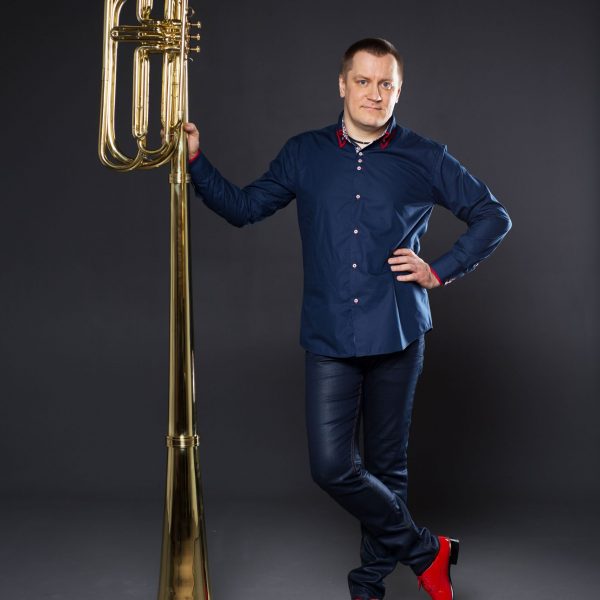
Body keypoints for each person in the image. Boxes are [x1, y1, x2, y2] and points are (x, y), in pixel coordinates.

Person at [184, 38, 511, 600]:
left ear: (399, 91)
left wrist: (440, 270)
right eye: (363, 81)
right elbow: (243, 208)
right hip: (329, 335)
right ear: (342, 85)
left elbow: (491, 215)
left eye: (386, 84)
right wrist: (195, 161)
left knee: (387, 466)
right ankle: (427, 550)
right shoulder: (303, 153)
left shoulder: (425, 156)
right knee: (331, 467)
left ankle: (368, 586)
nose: (374, 94)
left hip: (399, 332)